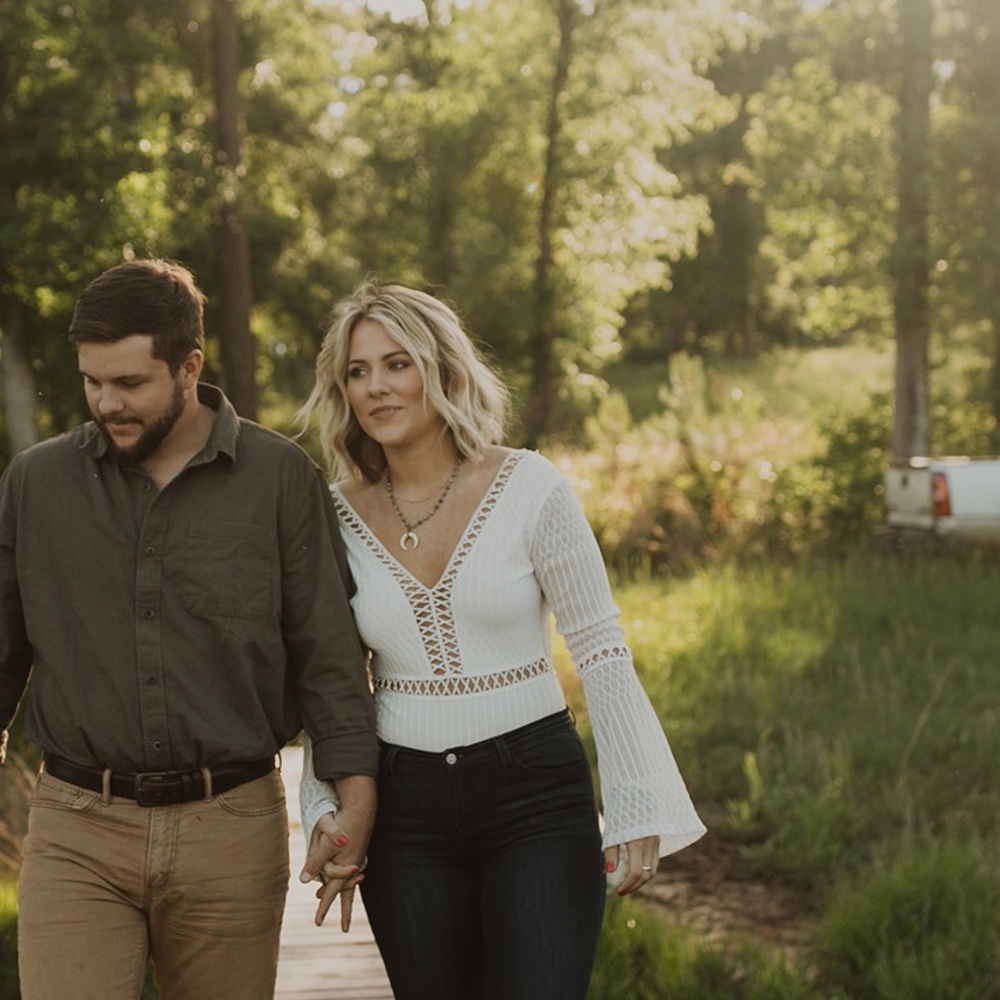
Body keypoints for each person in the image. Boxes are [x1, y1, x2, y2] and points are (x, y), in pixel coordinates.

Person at [296, 280, 706, 1000]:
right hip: (406, 809)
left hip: (535, 798)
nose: (376, 388)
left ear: (443, 369)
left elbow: (601, 647)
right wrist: (324, 803)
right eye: (357, 372)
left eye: (398, 364)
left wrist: (638, 799)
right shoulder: (331, 516)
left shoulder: (530, 486)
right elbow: (329, 676)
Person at [0, 258, 378, 1000]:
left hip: (231, 828)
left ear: (188, 367)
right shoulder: (35, 484)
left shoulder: (279, 480)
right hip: (77, 825)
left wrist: (356, 803)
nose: (106, 403)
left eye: (129, 383)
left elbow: (329, 658)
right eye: (90, 381)